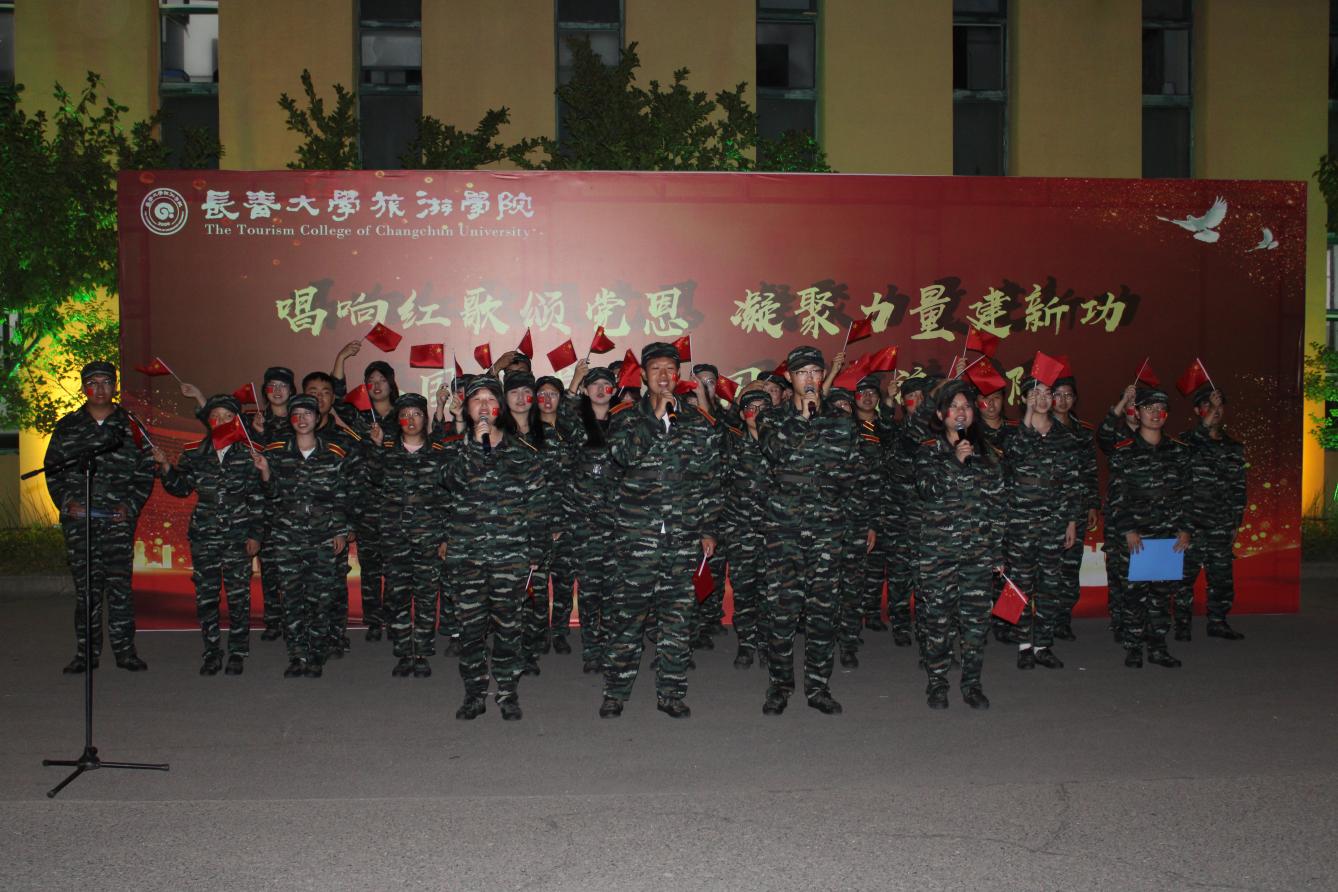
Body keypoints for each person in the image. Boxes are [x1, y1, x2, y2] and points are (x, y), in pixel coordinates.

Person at [598, 343, 724, 720]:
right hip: (636, 537)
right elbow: (622, 457)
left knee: (677, 621)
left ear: (678, 375)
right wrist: (654, 419)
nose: (664, 375)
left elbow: (709, 479)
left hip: (682, 538)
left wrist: (708, 529)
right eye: (656, 369)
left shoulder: (697, 422)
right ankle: (615, 692)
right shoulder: (625, 418)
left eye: (670, 368)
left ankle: (671, 693)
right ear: (643, 376)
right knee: (627, 618)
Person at [756, 346, 875, 717]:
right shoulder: (772, 417)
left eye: (815, 372)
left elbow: (853, 474)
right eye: (801, 373)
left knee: (823, 611)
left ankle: (818, 686)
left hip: (827, 527)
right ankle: (780, 686)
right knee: (782, 611)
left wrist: (857, 521)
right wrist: (805, 421)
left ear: (823, 376)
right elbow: (775, 453)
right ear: (790, 378)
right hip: (784, 528)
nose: (809, 379)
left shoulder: (842, 421)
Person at [442, 376, 551, 721]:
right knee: (471, 632)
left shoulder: (522, 454)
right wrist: (475, 446)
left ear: (500, 407)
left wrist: (536, 553)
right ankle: (474, 695)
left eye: (491, 399)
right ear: (468, 409)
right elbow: (448, 483)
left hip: (511, 558)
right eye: (477, 400)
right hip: (467, 559)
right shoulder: (453, 449)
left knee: (508, 630)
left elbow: (538, 506)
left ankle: (507, 692)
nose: (485, 406)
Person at [45, 361, 156, 673]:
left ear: (114, 386)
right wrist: (67, 502)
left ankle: (125, 652)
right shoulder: (68, 426)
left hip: (117, 519)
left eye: (106, 382)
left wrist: (129, 506)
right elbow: (53, 471)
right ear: (84, 388)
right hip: (80, 521)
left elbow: (145, 471)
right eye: (92, 383)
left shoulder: (131, 425)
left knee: (120, 589)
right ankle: (86, 654)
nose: (99, 389)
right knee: (87, 591)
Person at [155, 394, 265, 676]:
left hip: (238, 534)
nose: (222, 421)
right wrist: (166, 467)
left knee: (238, 596)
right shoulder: (194, 453)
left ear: (237, 421)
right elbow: (181, 488)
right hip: (204, 534)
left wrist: (255, 534)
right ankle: (212, 652)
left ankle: (238, 652)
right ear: (208, 421)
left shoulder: (249, 453)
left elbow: (257, 497)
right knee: (206, 596)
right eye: (216, 416)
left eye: (228, 417)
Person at [914, 379, 1007, 710]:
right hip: (938, 555)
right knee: (937, 623)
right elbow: (927, 490)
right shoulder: (928, 450)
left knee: (975, 626)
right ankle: (937, 684)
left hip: (977, 556)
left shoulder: (988, 454)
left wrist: (997, 552)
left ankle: (972, 685)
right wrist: (955, 460)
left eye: (966, 406)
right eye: (954, 407)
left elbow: (997, 506)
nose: (961, 412)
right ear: (941, 414)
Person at [254, 395, 354, 678]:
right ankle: (297, 654)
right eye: (296, 413)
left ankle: (316, 654)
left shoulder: (333, 453)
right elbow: (271, 496)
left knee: (320, 598)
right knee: (292, 599)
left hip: (323, 535)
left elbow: (341, 496)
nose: (302, 419)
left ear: (317, 418)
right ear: (290, 419)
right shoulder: (275, 453)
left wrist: (340, 530)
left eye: (307, 413)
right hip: (287, 537)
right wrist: (265, 473)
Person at [1105, 386, 1197, 669]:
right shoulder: (1124, 451)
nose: (1156, 414)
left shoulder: (1179, 452)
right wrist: (1128, 530)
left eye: (1161, 409)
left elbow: (1187, 494)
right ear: (1138, 412)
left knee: (1161, 595)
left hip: (1167, 537)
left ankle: (1158, 648)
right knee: (1133, 595)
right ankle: (1133, 647)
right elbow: (1117, 496)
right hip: (1137, 537)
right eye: (1149, 409)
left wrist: (1185, 528)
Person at [1003, 377, 1082, 670]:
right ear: (1024, 399)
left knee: (1050, 584)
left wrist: (1071, 522)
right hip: (1020, 521)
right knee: (1018, 584)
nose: (1043, 398)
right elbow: (1014, 456)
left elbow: (1072, 484)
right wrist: (1028, 417)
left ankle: (1043, 645)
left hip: (1054, 520)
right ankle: (1023, 645)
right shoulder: (1014, 434)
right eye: (1035, 393)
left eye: (1048, 393)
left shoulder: (1065, 437)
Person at [368, 393, 450, 678]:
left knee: (426, 596)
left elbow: (447, 499)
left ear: (425, 419)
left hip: (429, 536)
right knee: (397, 595)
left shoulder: (437, 453)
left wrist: (445, 537)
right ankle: (404, 652)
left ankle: (423, 652)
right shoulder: (388, 452)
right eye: (405, 415)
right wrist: (377, 447)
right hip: (395, 537)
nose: (410, 420)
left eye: (416, 414)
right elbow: (374, 478)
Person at [332, 348, 398, 644]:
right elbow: (337, 399)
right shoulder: (359, 417)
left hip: (396, 505)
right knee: (370, 568)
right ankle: (373, 620)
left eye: (382, 379)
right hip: (367, 505)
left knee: (396, 568)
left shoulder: (403, 415)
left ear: (391, 383)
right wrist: (341, 359)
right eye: (371, 380)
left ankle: (395, 619)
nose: (376, 385)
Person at [564, 365, 623, 674]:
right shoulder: (576, 425)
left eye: (606, 385)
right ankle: (591, 649)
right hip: (585, 522)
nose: (601, 390)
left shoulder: (625, 423)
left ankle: (611, 647)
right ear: (586, 391)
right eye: (595, 385)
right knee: (589, 590)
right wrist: (576, 380)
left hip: (618, 521)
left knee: (615, 589)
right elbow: (562, 411)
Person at [1180, 385, 1247, 640]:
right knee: (1183, 578)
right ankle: (1182, 624)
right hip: (1192, 523)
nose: (1216, 410)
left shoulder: (1233, 447)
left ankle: (1218, 622)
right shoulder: (1187, 441)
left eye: (1219, 406)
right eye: (1209, 405)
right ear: (1197, 411)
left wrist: (1235, 523)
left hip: (1221, 523)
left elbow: (1239, 488)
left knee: (1221, 578)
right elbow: (1195, 439)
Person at [723, 385, 774, 669]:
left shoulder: (781, 447)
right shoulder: (732, 446)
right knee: (743, 590)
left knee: (770, 590)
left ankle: (766, 643)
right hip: (740, 530)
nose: (756, 414)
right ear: (742, 415)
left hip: (773, 531)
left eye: (762, 409)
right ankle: (746, 643)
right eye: (750, 409)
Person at [1049, 375, 1100, 640]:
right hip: (1047, 509)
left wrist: (1092, 504)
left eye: (1068, 395)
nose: (1063, 400)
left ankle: (1062, 620)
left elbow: (1090, 470)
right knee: (1047, 567)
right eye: (1058, 394)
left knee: (1069, 567)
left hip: (1076, 509)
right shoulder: (1040, 427)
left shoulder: (1083, 430)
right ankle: (1042, 619)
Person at [535, 374, 579, 656]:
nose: (547, 399)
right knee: (537, 585)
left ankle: (560, 632)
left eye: (553, 393)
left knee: (564, 582)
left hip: (568, 520)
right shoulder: (526, 433)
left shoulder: (571, 431)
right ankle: (540, 634)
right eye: (542, 394)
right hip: (538, 522)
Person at [1098, 384, 1145, 643]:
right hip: (1119, 515)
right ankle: (1119, 621)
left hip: (1149, 517)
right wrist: (1122, 400)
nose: (1134, 410)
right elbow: (1102, 434)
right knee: (1118, 570)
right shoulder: (1117, 436)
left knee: (1147, 573)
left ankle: (1142, 622)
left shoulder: (1155, 437)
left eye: (1138, 406)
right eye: (1130, 406)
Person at [253, 365, 295, 640]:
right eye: (272, 386)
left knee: (294, 568)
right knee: (269, 566)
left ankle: (294, 621)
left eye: (283, 386)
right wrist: (257, 434)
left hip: (294, 505)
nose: (277, 391)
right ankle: (273, 620)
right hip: (265, 506)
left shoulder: (301, 419)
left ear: (291, 390)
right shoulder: (255, 422)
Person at [853, 375, 897, 635]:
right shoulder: (846, 425)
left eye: (872, 393)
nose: (867, 397)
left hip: (883, 503)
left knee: (876, 564)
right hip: (855, 503)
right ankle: (850, 615)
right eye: (862, 393)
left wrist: (890, 401)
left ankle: (871, 612)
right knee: (853, 564)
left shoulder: (884, 426)